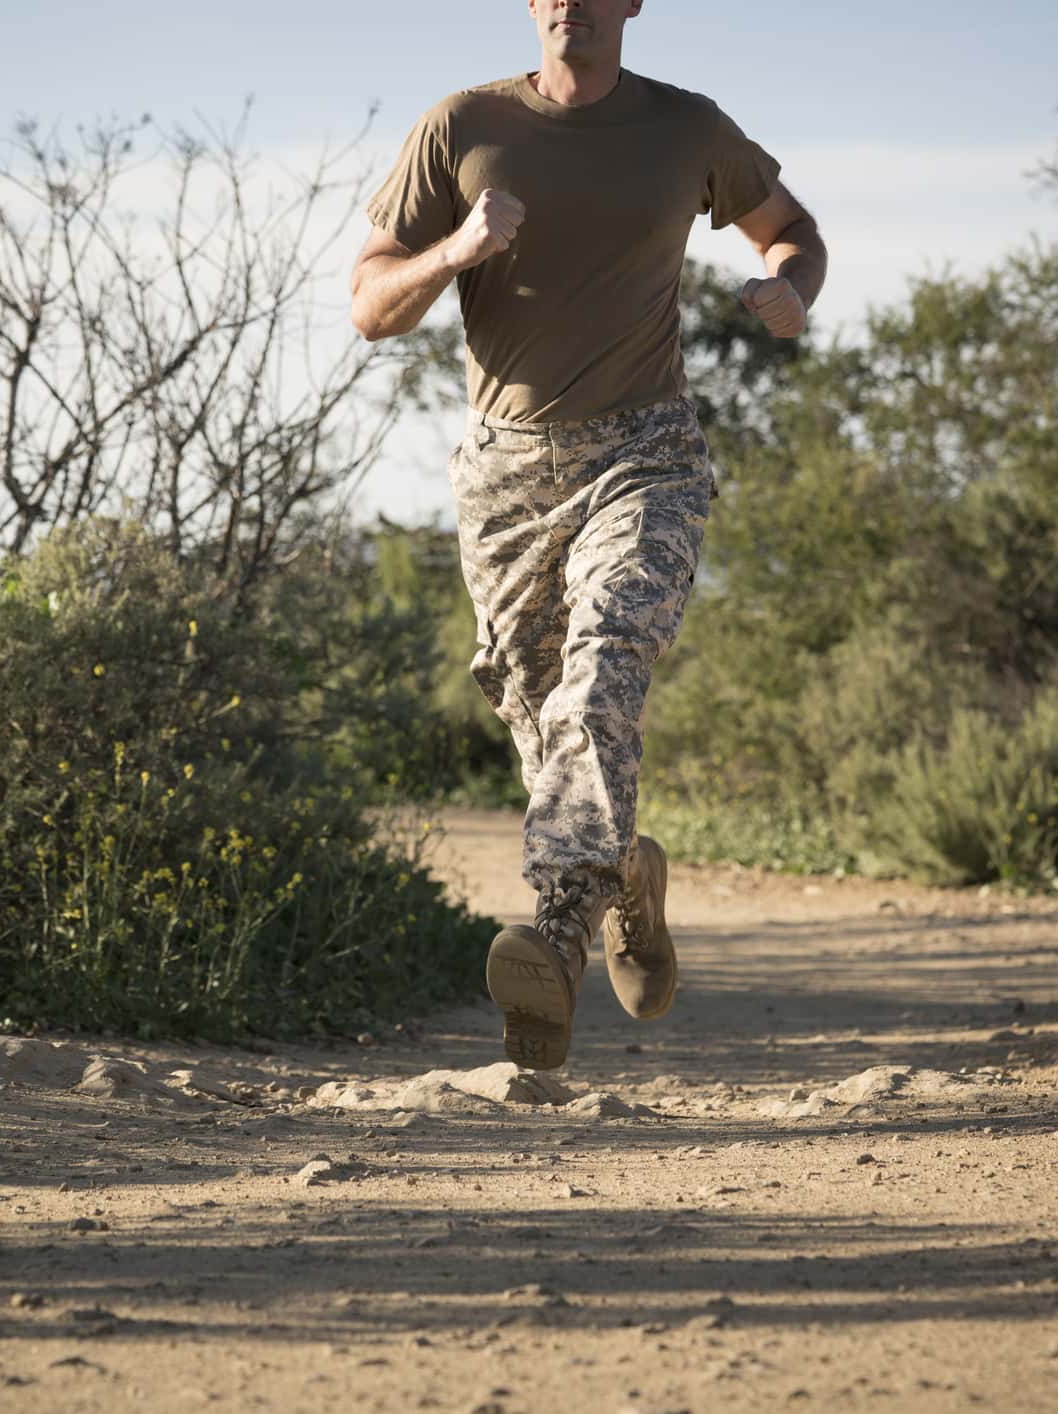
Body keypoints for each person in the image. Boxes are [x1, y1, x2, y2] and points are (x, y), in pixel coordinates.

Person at [349, 0, 825, 1070]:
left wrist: (787, 289)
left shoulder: (687, 130)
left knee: (605, 660)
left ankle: (557, 935)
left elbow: (795, 230)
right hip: (505, 470)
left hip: (644, 451)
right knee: (540, 715)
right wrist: (456, 250)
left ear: (628, 4)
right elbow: (370, 305)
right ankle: (622, 879)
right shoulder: (459, 128)